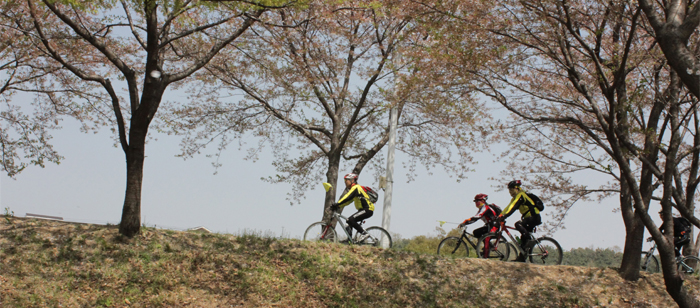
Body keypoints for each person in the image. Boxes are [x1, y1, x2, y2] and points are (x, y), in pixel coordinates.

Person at [498, 180, 542, 259]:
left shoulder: (521, 195)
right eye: (509, 190)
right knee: (523, 238)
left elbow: (513, 207)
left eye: (511, 190)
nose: (510, 192)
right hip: (529, 218)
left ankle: (529, 240)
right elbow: (509, 207)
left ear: (517, 188)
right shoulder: (515, 198)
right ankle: (522, 257)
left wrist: (505, 216)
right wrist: (500, 215)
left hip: (534, 217)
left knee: (518, 224)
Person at [330, 173, 374, 242]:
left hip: (367, 209)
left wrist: (337, 203)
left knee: (351, 219)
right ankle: (349, 240)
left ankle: (364, 234)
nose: (345, 182)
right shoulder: (355, 189)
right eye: (344, 180)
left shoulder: (356, 188)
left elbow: (347, 197)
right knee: (348, 221)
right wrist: (339, 205)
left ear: (352, 180)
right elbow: (348, 201)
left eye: (346, 180)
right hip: (364, 210)